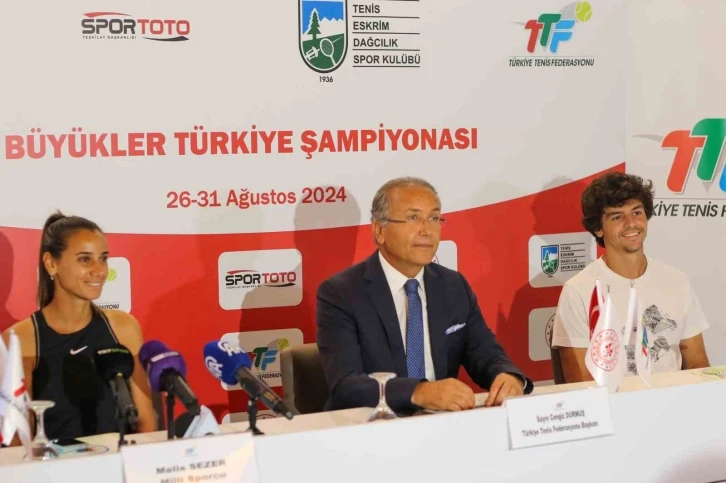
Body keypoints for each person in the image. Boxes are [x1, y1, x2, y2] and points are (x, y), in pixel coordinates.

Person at [317, 177, 532, 413]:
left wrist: (507, 376)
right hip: (374, 425)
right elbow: (345, 386)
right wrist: (418, 392)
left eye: (434, 218)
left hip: (442, 423)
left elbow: (485, 352)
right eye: (413, 218)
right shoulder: (341, 293)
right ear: (379, 231)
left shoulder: (453, 286)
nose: (427, 230)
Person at [1, 212, 155, 440]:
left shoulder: (124, 328)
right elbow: (19, 442)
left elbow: (146, 425)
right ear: (51, 264)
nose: (99, 270)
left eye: (103, 258)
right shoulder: (19, 339)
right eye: (85, 259)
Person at [552, 172, 710, 382]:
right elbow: (579, 384)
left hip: (674, 400)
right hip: (612, 402)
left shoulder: (677, 281)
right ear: (598, 229)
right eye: (617, 217)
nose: (631, 223)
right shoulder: (579, 290)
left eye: (637, 212)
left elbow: (698, 365)